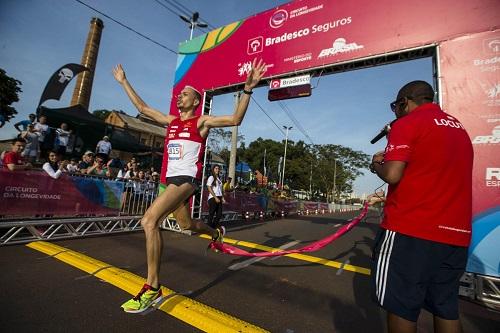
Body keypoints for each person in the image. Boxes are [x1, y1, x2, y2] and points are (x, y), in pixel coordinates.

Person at [113, 58, 267, 313]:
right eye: (180, 94)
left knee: (149, 221)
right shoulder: (171, 121)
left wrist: (248, 89)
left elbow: (235, 119)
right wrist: (123, 82)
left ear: (196, 101)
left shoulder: (201, 122)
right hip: (170, 182)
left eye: (185, 94)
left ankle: (152, 288)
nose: (180, 97)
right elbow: (142, 106)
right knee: (186, 225)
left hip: (187, 181)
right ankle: (216, 232)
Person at [369, 81, 473, 333]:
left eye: (396, 106)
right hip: (455, 236)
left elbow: (393, 174)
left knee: (401, 306)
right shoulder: (459, 129)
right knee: (445, 307)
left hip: (411, 232)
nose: (395, 112)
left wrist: (375, 164)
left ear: (405, 102)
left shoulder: (407, 123)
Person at [206, 165, 225, 229]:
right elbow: (209, 187)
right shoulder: (211, 177)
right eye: (216, 168)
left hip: (219, 197)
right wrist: (215, 197)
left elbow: (220, 190)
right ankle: (209, 228)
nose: (217, 170)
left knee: (219, 214)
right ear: (213, 169)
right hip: (213, 197)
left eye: (218, 169)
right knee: (211, 213)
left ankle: (213, 227)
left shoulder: (219, 179)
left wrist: (222, 198)